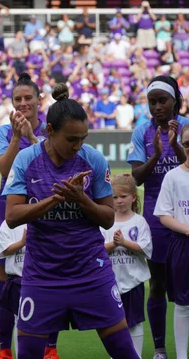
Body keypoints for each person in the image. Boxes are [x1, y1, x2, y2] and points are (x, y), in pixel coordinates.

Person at [3, 83, 139, 359]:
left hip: (91, 271)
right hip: (42, 275)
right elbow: (12, 216)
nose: (78, 146)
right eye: (71, 139)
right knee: (28, 354)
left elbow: (108, 217)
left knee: (124, 351)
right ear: (50, 132)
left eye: (83, 138)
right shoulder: (26, 160)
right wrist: (54, 200)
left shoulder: (94, 160)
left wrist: (82, 200)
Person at [127, 75, 189, 359]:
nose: (156, 107)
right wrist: (156, 155)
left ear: (175, 101)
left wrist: (176, 146)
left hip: (185, 216)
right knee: (158, 285)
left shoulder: (186, 128)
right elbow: (136, 178)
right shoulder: (141, 132)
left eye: (162, 101)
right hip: (155, 219)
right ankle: (161, 349)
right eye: (152, 102)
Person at [0, 73, 46, 356]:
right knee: (5, 286)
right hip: (6, 214)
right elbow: (3, 169)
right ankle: (4, 349)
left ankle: (49, 348)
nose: (23, 104)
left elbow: (49, 165)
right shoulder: (2, 132)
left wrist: (33, 137)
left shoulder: (52, 128)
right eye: (17, 100)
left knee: (45, 280)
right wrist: (15, 137)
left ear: (39, 100)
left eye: (28, 98)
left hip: (42, 212)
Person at [102, 173, 153, 357]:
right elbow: (97, 249)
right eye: (114, 197)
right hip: (110, 283)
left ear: (133, 197)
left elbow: (145, 248)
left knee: (135, 322)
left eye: (123, 197)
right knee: (113, 324)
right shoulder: (105, 223)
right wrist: (113, 244)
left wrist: (124, 242)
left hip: (133, 281)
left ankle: (135, 355)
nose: (119, 201)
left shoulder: (139, 222)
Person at [0, 220, 61, 359]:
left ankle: (47, 351)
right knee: (20, 321)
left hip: (41, 280)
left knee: (42, 320)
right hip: (18, 280)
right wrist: (22, 242)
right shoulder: (8, 224)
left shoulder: (44, 221)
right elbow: (4, 250)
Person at [154, 123, 189, 359]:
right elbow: (163, 214)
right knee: (183, 305)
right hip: (183, 246)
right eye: (187, 144)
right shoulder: (173, 176)